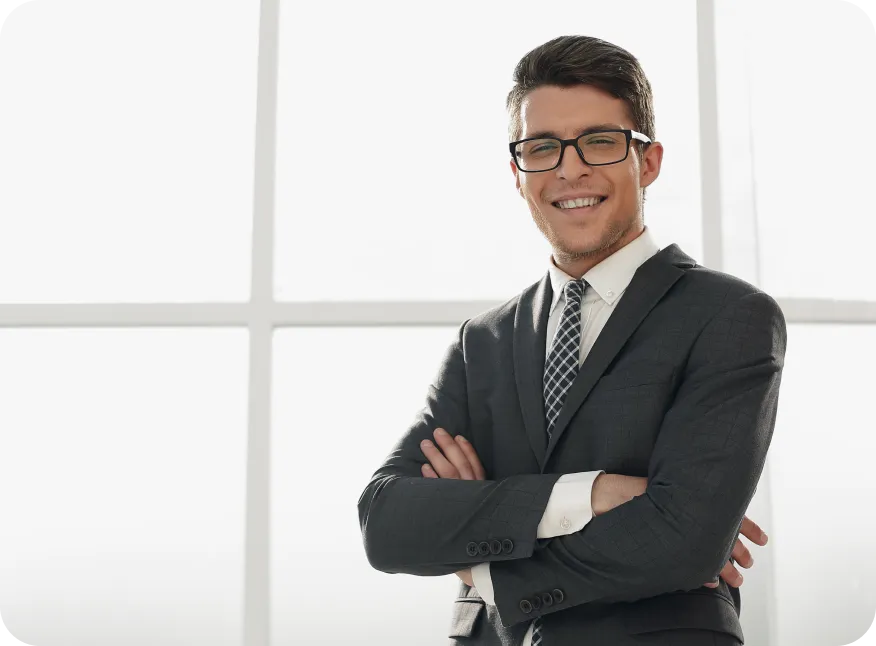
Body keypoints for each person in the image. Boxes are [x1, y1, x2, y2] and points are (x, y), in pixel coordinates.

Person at [357, 34, 785, 646]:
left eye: (600, 141)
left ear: (648, 161)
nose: (569, 168)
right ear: (517, 174)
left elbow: (684, 540)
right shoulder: (483, 341)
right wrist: (590, 494)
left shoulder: (728, 315)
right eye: (542, 148)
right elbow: (386, 522)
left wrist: (483, 556)